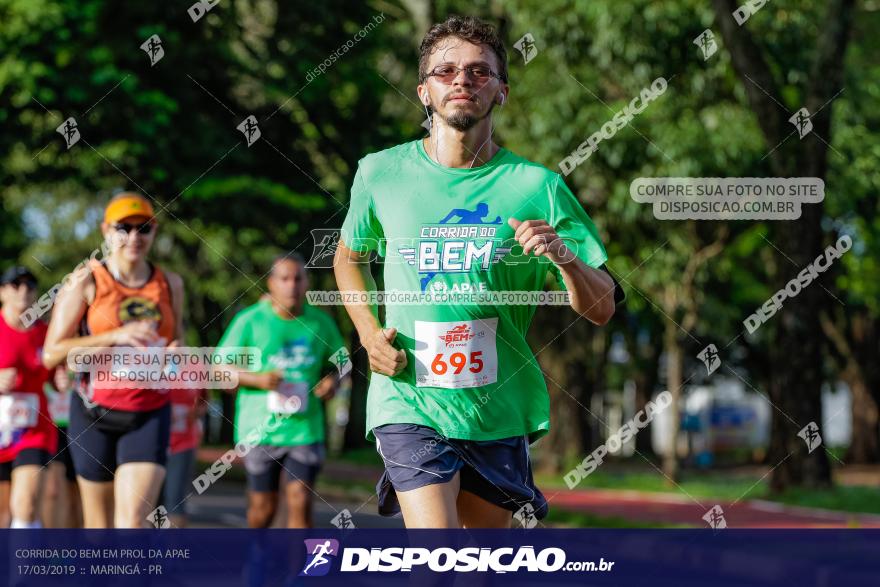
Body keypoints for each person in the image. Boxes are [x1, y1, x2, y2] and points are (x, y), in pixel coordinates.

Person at [333, 15, 623, 529]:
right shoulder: (380, 172)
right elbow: (349, 257)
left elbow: (602, 307)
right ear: (424, 91)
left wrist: (563, 256)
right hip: (409, 397)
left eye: (479, 71)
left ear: (502, 91)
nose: (462, 80)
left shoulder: (538, 186)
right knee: (436, 557)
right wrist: (368, 333)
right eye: (445, 71)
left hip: (496, 406)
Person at [43, 192, 185, 528]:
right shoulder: (86, 280)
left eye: (144, 228)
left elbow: (176, 337)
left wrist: (175, 355)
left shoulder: (170, 283)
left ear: (154, 231)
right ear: (106, 231)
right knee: (99, 530)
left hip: (149, 411)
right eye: (124, 228)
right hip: (94, 413)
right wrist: (114, 336)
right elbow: (51, 352)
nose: (134, 237)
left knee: (133, 522)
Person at [216, 254, 346, 528]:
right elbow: (219, 369)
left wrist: (333, 379)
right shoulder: (249, 320)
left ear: (307, 282)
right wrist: (257, 379)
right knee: (263, 509)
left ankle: (296, 571)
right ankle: (259, 562)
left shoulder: (321, 323)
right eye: (284, 279)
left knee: (300, 500)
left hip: (305, 429)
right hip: (260, 428)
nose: (292, 286)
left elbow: (343, 361)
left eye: (298, 278)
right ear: (271, 284)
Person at [0, 266, 58, 528]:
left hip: (35, 429)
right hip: (2, 430)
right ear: (3, 292)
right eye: (16, 285)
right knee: (3, 511)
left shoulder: (46, 334)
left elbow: (57, 377)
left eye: (30, 286)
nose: (24, 290)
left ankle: (24, 568)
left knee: (26, 502)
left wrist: (60, 381)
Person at [40, 367, 83, 528]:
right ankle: (53, 548)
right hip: (50, 426)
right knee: (52, 490)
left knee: (78, 493)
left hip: (81, 424)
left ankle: (76, 546)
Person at [161, 386, 206, 528]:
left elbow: (204, 401)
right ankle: (150, 544)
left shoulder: (197, 367)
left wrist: (197, 412)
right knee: (149, 501)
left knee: (175, 501)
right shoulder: (149, 364)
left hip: (183, 444)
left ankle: (174, 549)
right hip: (151, 442)